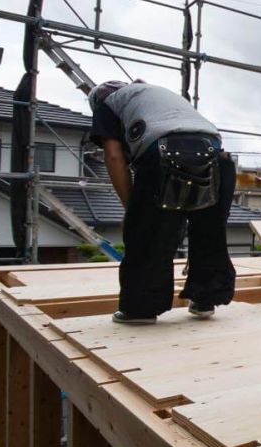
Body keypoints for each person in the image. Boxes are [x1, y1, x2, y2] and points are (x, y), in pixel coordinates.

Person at [88, 79, 236, 324]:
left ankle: (140, 310)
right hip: (217, 155)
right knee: (209, 231)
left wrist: (132, 207)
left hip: (164, 150)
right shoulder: (154, 94)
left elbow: (114, 156)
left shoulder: (106, 102)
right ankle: (205, 299)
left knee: (149, 233)